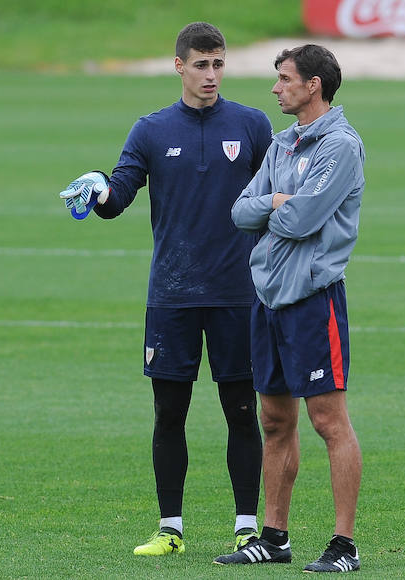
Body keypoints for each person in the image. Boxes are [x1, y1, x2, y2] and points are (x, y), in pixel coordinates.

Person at [58, 22, 272, 556]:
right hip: (171, 296)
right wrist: (98, 189)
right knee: (169, 413)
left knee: (242, 411)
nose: (211, 75)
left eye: (218, 64)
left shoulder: (251, 125)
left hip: (235, 294)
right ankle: (170, 529)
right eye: (201, 64)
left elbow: (278, 190)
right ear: (179, 65)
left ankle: (248, 526)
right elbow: (119, 195)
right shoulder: (151, 130)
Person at [213, 44, 365, 573]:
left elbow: (302, 221)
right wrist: (276, 204)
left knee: (329, 421)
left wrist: (276, 207)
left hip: (313, 301)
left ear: (313, 85)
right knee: (274, 420)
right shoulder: (281, 145)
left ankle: (344, 545)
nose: (276, 88)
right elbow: (239, 211)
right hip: (268, 298)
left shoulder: (340, 147)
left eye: (284, 79)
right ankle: (273, 537)